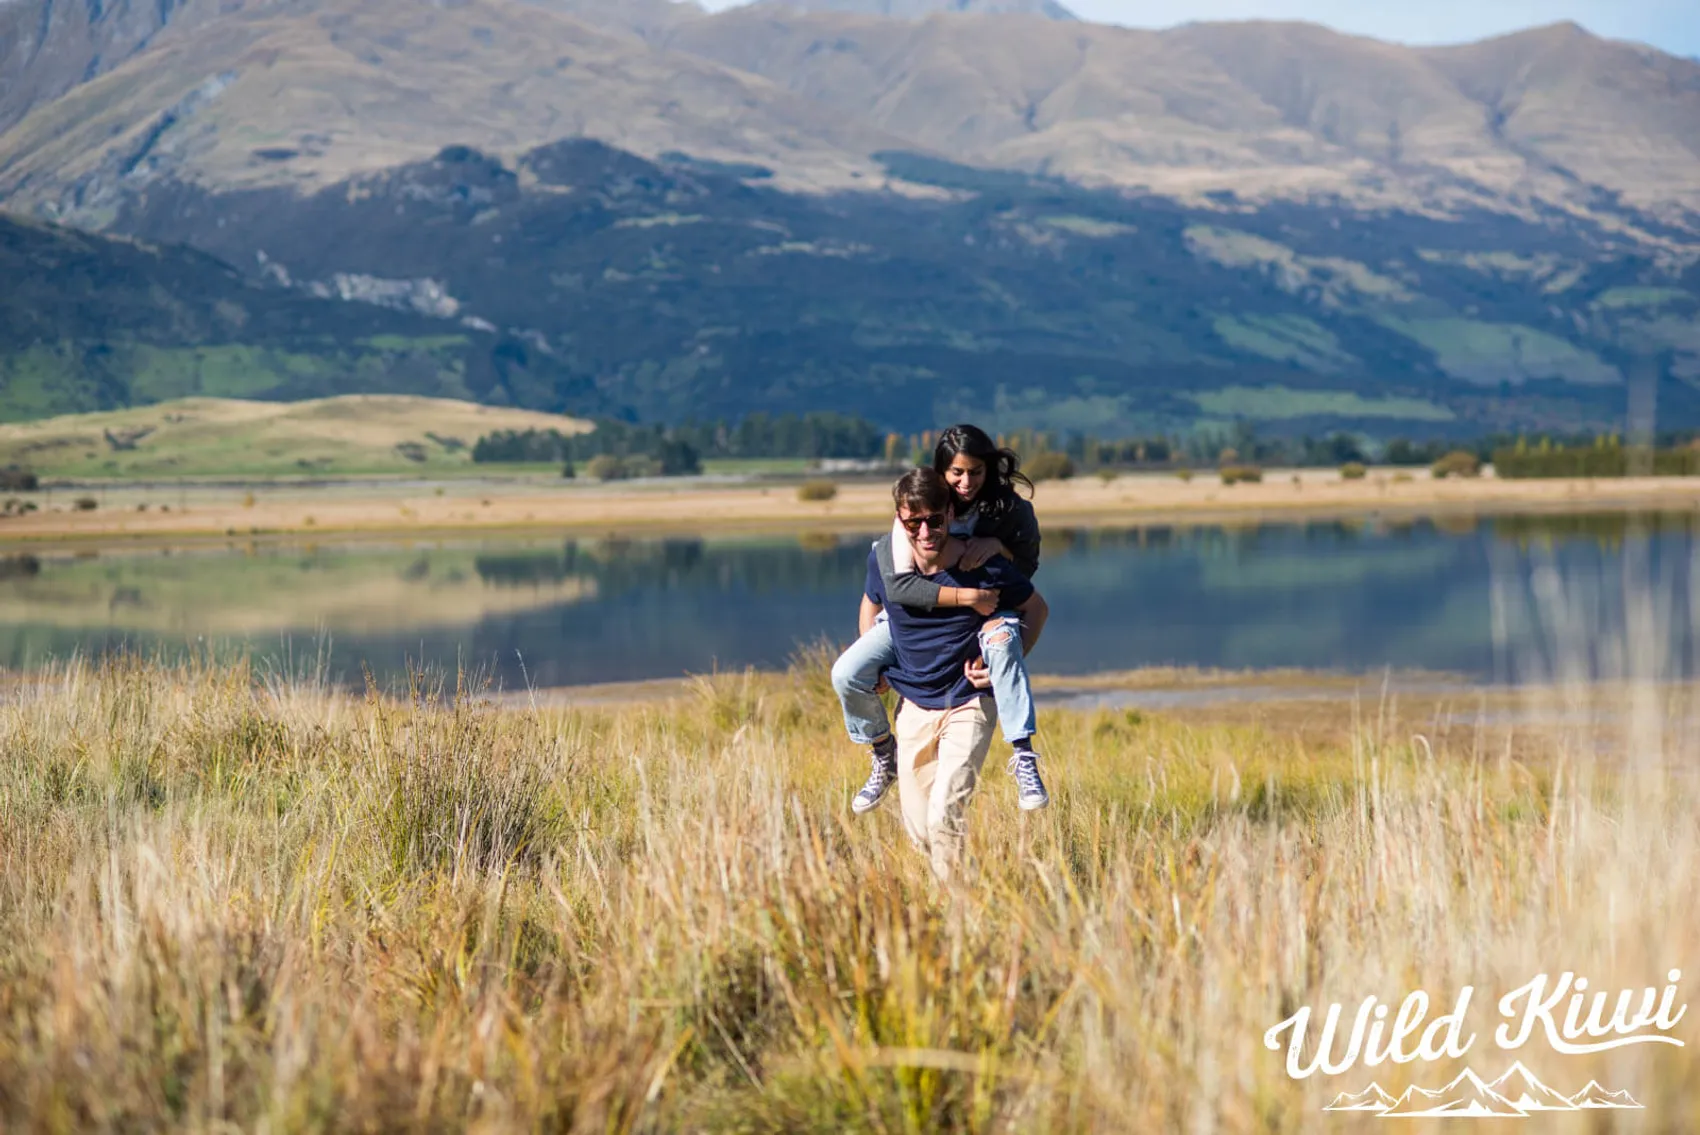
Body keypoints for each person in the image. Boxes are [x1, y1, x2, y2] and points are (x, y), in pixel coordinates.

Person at [830, 424, 1049, 814]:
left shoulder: (1011, 510)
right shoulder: (921, 505)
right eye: (957, 473)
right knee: (845, 672)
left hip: (992, 608)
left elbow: (1027, 572)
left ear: (990, 468)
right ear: (941, 474)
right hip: (925, 617)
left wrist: (996, 547)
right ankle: (883, 751)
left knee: (1002, 639)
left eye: (976, 472)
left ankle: (1023, 755)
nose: (966, 482)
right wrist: (967, 595)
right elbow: (891, 589)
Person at [850, 467, 1049, 882]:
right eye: (913, 522)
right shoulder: (885, 562)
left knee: (944, 816)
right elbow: (871, 603)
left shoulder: (981, 563)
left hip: (968, 705)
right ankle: (971, 892)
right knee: (921, 832)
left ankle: (957, 918)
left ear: (950, 515)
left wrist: (1003, 667)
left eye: (935, 520)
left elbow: (1036, 608)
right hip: (913, 710)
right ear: (900, 521)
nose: (925, 531)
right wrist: (878, 663)